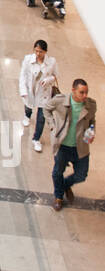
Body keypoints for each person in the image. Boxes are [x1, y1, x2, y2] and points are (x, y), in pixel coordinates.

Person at [44, 79, 97, 211]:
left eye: (86, 92)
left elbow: (92, 120)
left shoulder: (91, 105)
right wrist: (52, 126)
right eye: (81, 92)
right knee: (57, 172)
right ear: (73, 91)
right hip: (63, 145)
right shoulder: (60, 100)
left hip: (81, 147)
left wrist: (91, 131)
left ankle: (65, 185)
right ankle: (58, 197)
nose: (85, 95)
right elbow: (46, 109)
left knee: (81, 175)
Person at [19, 41, 59, 153]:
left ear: (45, 52)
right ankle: (27, 116)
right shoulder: (28, 60)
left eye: (40, 52)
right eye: (36, 51)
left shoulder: (52, 62)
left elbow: (55, 75)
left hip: (44, 94)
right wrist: (23, 90)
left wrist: (48, 80)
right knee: (28, 106)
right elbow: (22, 76)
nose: (38, 54)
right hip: (30, 91)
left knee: (41, 118)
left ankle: (36, 139)